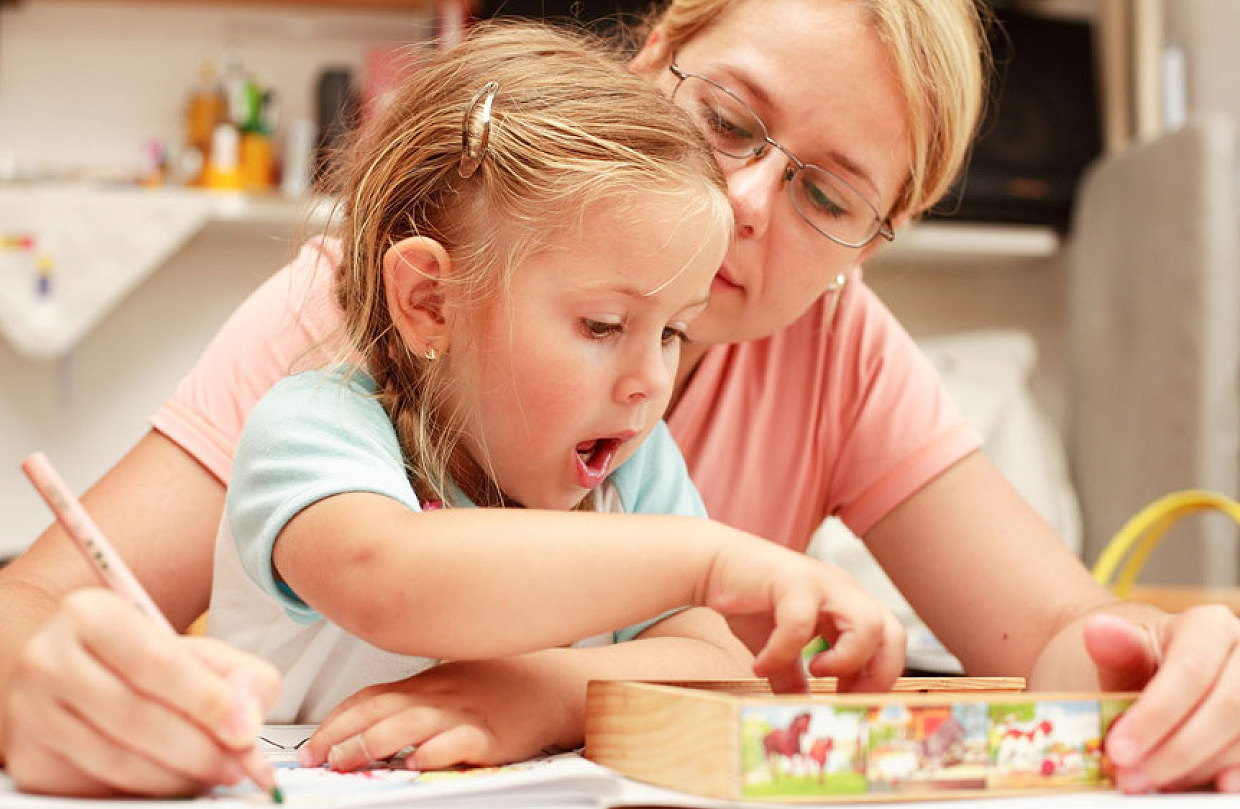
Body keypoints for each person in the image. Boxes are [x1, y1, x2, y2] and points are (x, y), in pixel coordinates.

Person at [3, 0, 1239, 796]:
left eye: (827, 196)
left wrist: (1176, 667)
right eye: (727, 120)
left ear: (875, 240)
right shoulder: (367, 316)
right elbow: (36, 609)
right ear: (648, 62)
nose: (747, 206)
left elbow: (1065, 643)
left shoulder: (819, 359)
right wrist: (48, 691)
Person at [205, 18, 901, 748]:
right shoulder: (315, 425)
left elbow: (717, 661)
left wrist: (550, 695)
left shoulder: (634, 465)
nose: (648, 382)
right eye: (603, 326)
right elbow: (388, 576)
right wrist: (709, 560)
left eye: (671, 332)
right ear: (430, 303)